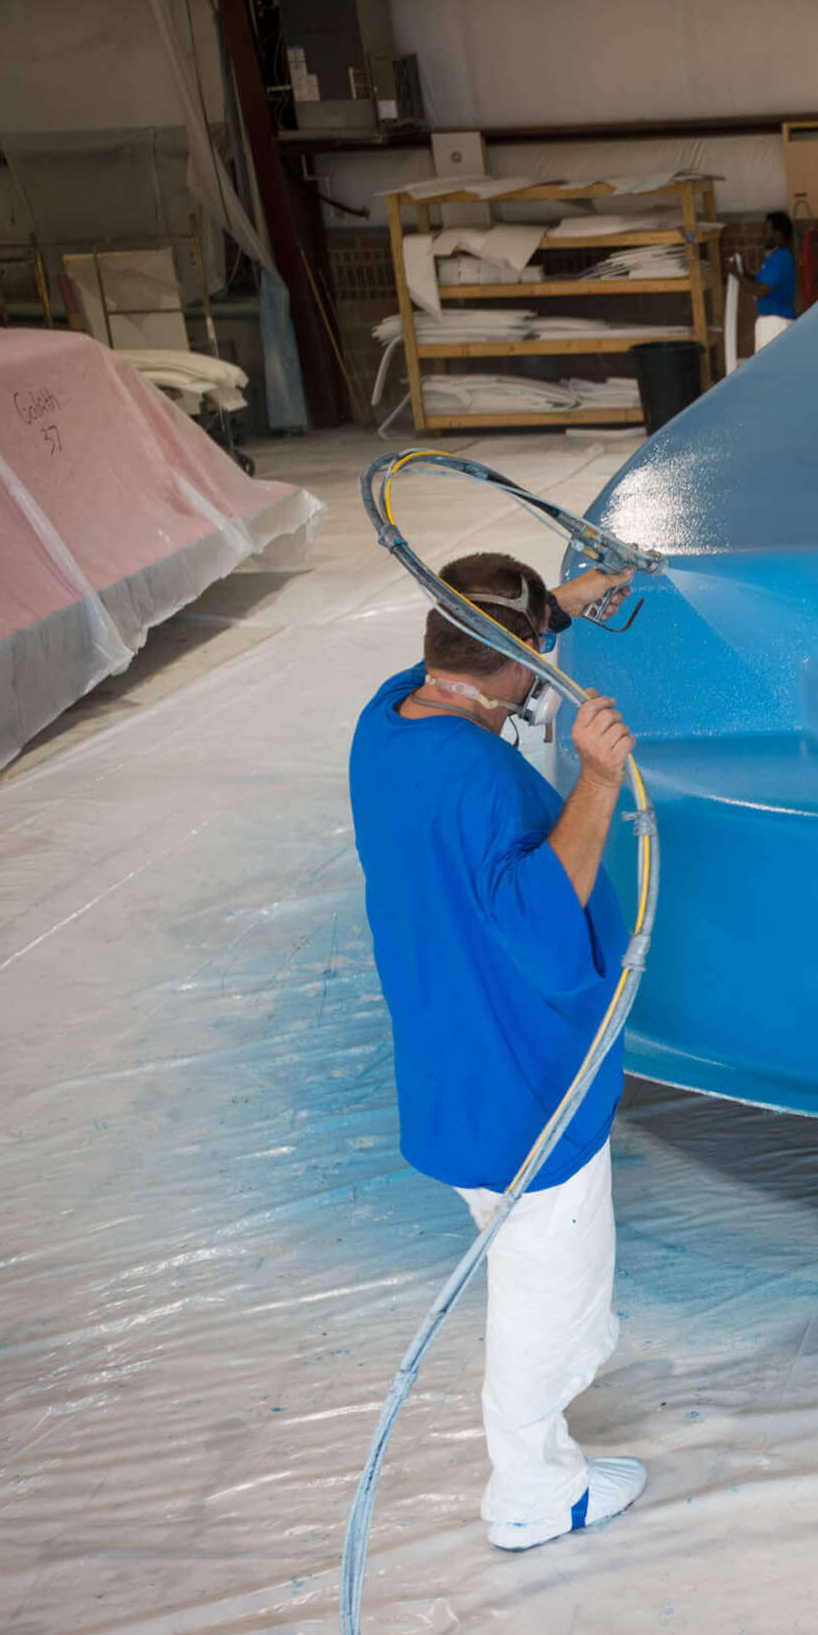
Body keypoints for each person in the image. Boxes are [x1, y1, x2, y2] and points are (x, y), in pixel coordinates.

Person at [347, 551, 646, 1553]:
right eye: (536, 659)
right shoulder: (474, 776)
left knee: (524, 1259)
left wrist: (551, 612)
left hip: (449, 1063)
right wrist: (599, 778)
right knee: (544, 1290)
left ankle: (537, 1466)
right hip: (523, 1085)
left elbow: (474, 657)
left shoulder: (386, 722)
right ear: (516, 664)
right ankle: (531, 1489)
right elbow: (538, 923)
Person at [734, 211, 800, 352]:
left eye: (766, 231)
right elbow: (762, 284)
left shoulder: (780, 258)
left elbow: (760, 291)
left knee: (772, 371)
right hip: (774, 322)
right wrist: (744, 273)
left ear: (777, 234)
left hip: (776, 324)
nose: (763, 235)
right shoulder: (777, 257)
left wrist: (736, 274)